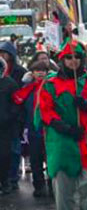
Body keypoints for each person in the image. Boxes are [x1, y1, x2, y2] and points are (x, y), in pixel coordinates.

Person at [36, 40, 87, 210]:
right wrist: (62, 127)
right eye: (69, 57)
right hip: (62, 141)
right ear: (62, 60)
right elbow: (45, 110)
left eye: (76, 56)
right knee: (63, 189)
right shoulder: (50, 84)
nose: (73, 61)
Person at [12, 59, 51, 197]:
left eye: (43, 70)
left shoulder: (52, 87)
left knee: (50, 158)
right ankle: (39, 185)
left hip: (50, 129)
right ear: (32, 73)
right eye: (37, 70)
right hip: (33, 128)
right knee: (35, 159)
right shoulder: (27, 89)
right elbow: (20, 106)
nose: (40, 73)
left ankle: (52, 185)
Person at [0, 40, 26, 191]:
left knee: (9, 153)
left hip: (8, 125)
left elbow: (18, 101)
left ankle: (9, 180)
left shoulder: (12, 80)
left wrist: (9, 117)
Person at [0, 57, 19, 195]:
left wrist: (9, 117)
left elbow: (17, 103)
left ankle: (5, 181)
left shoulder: (10, 84)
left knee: (5, 155)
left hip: (5, 127)